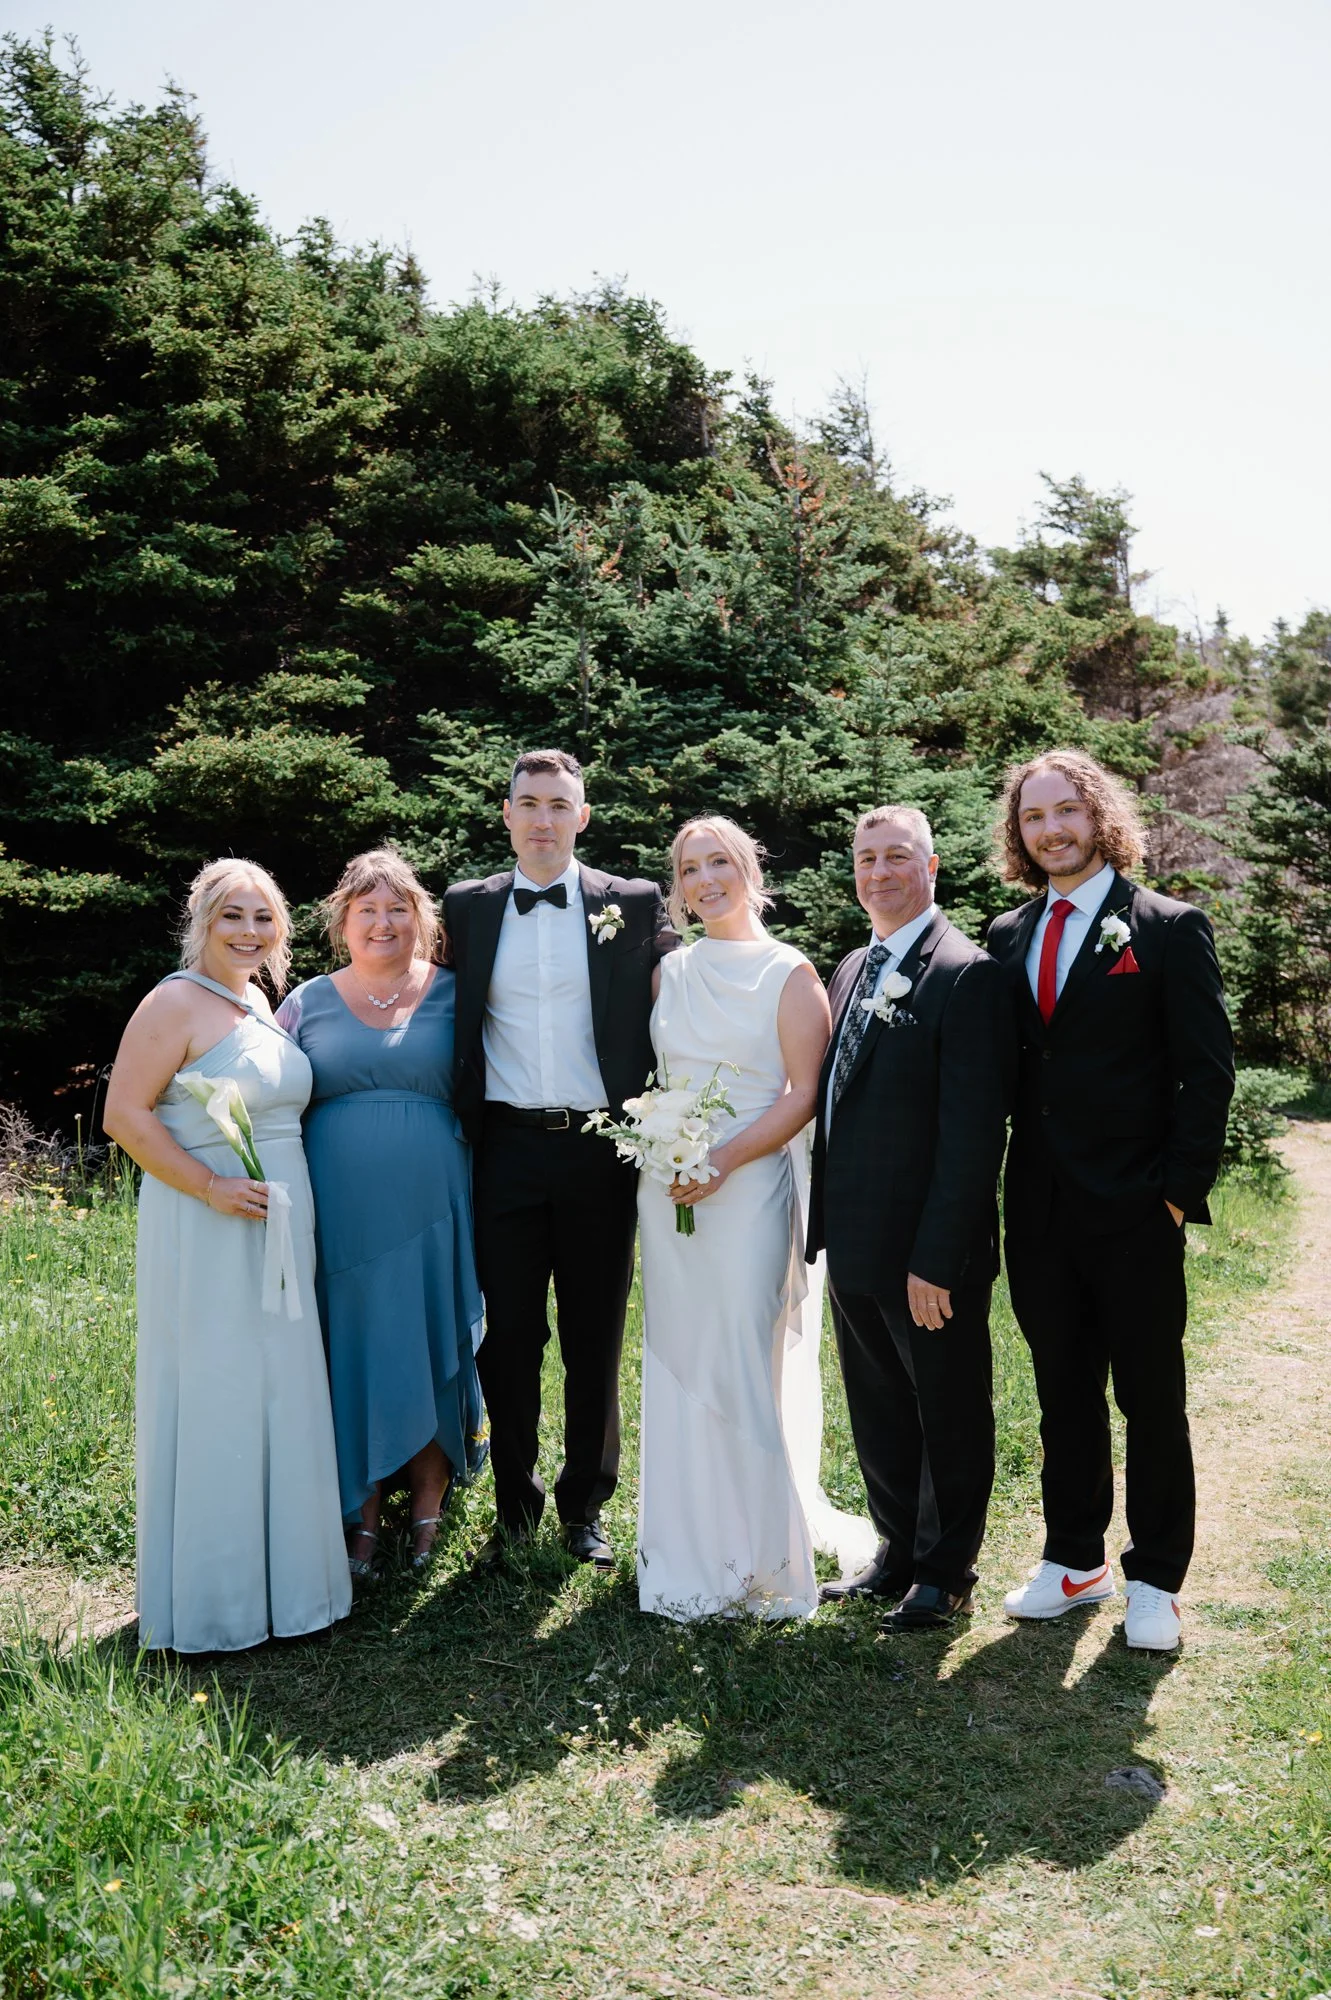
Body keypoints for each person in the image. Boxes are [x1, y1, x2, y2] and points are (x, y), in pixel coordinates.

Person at [986, 750, 1235, 1652]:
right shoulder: (1006, 935)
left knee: (1150, 1396)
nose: (1050, 831)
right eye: (1032, 818)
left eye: (1065, 813)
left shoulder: (1166, 928)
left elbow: (1204, 1077)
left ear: (1098, 817)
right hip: (1040, 1210)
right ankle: (1073, 1558)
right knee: (1061, 1394)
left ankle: (1157, 1578)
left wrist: (1173, 1199)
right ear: (1019, 835)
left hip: (1134, 1210)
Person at [103, 859, 351, 1653]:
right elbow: (124, 1115)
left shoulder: (260, 1004)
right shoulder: (173, 1001)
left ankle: (290, 1590)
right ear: (201, 923)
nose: (249, 932)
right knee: (219, 1386)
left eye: (262, 918)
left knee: (280, 1388)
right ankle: (216, 1600)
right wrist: (209, 1185)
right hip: (208, 1223)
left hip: (282, 1222)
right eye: (231, 917)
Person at [444, 749, 678, 1570]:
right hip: (501, 1150)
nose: (542, 819)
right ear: (505, 813)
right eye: (527, 803)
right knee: (506, 1336)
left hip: (599, 1151)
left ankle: (586, 1507)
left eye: (559, 805)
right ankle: (514, 1503)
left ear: (582, 817)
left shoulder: (635, 902)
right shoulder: (466, 909)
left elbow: (690, 990)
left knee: (593, 1335)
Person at [635, 815, 858, 1621]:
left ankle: (761, 1565)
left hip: (752, 1185)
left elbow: (801, 1094)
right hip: (669, 1195)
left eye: (718, 862)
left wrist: (721, 1158)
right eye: (689, 867)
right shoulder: (670, 974)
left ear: (748, 869)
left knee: (737, 1356)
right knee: (679, 1357)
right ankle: (684, 1549)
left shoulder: (788, 973)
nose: (704, 880)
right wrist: (662, 1145)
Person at [807, 807, 1010, 1632]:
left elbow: (972, 1134)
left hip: (927, 1252)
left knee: (947, 1407)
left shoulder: (965, 973)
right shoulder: (854, 964)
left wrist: (937, 1256)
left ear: (931, 869)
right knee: (879, 1405)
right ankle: (894, 1550)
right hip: (852, 1239)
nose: (879, 872)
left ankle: (944, 1570)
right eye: (866, 858)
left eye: (897, 857)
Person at [277, 848, 486, 1577]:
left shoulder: (459, 992)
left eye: (398, 907)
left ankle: (427, 1507)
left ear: (422, 918)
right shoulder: (305, 1001)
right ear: (341, 922)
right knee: (352, 1348)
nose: (383, 921)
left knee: (427, 1341)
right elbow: (261, 1089)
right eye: (366, 909)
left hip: (435, 1204)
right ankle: (357, 1513)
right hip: (337, 1215)